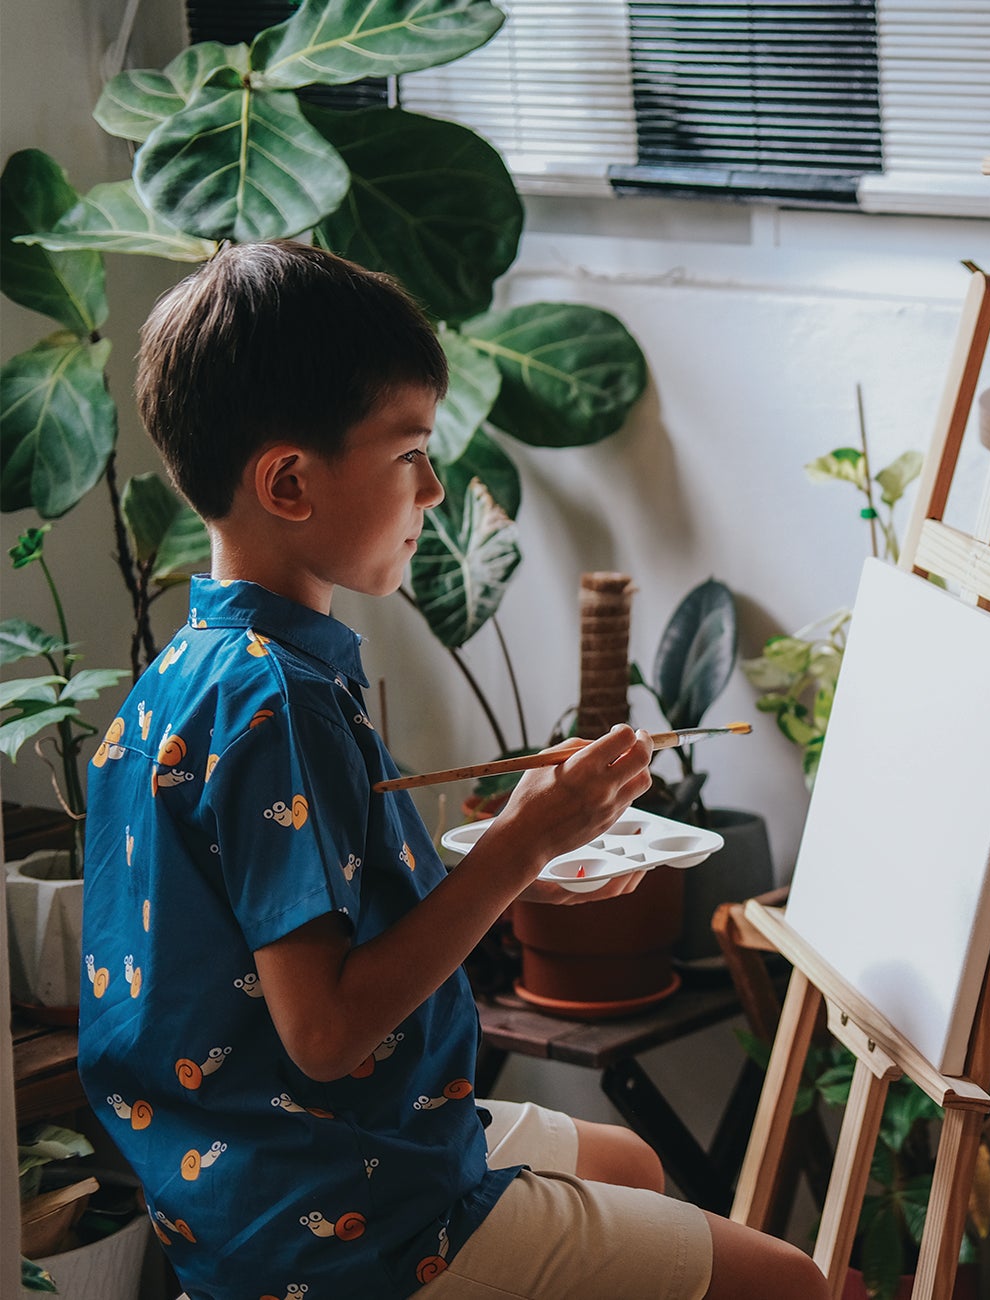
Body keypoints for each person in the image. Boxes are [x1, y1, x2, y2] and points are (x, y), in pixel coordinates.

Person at [78, 241, 824, 1300]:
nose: (433, 488)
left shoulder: (194, 673)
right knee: (789, 1282)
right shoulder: (276, 701)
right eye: (408, 453)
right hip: (333, 1209)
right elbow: (326, 1033)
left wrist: (527, 865)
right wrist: (521, 843)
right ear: (288, 482)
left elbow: (292, 934)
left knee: (630, 1162)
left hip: (247, 1161)